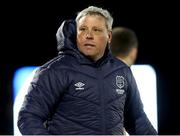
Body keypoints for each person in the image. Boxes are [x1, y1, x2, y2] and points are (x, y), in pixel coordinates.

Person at [17, 6, 157, 135]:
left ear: (109, 36)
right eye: (83, 29)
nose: (88, 35)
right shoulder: (54, 71)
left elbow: (137, 120)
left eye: (96, 30)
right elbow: (28, 117)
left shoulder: (122, 71)